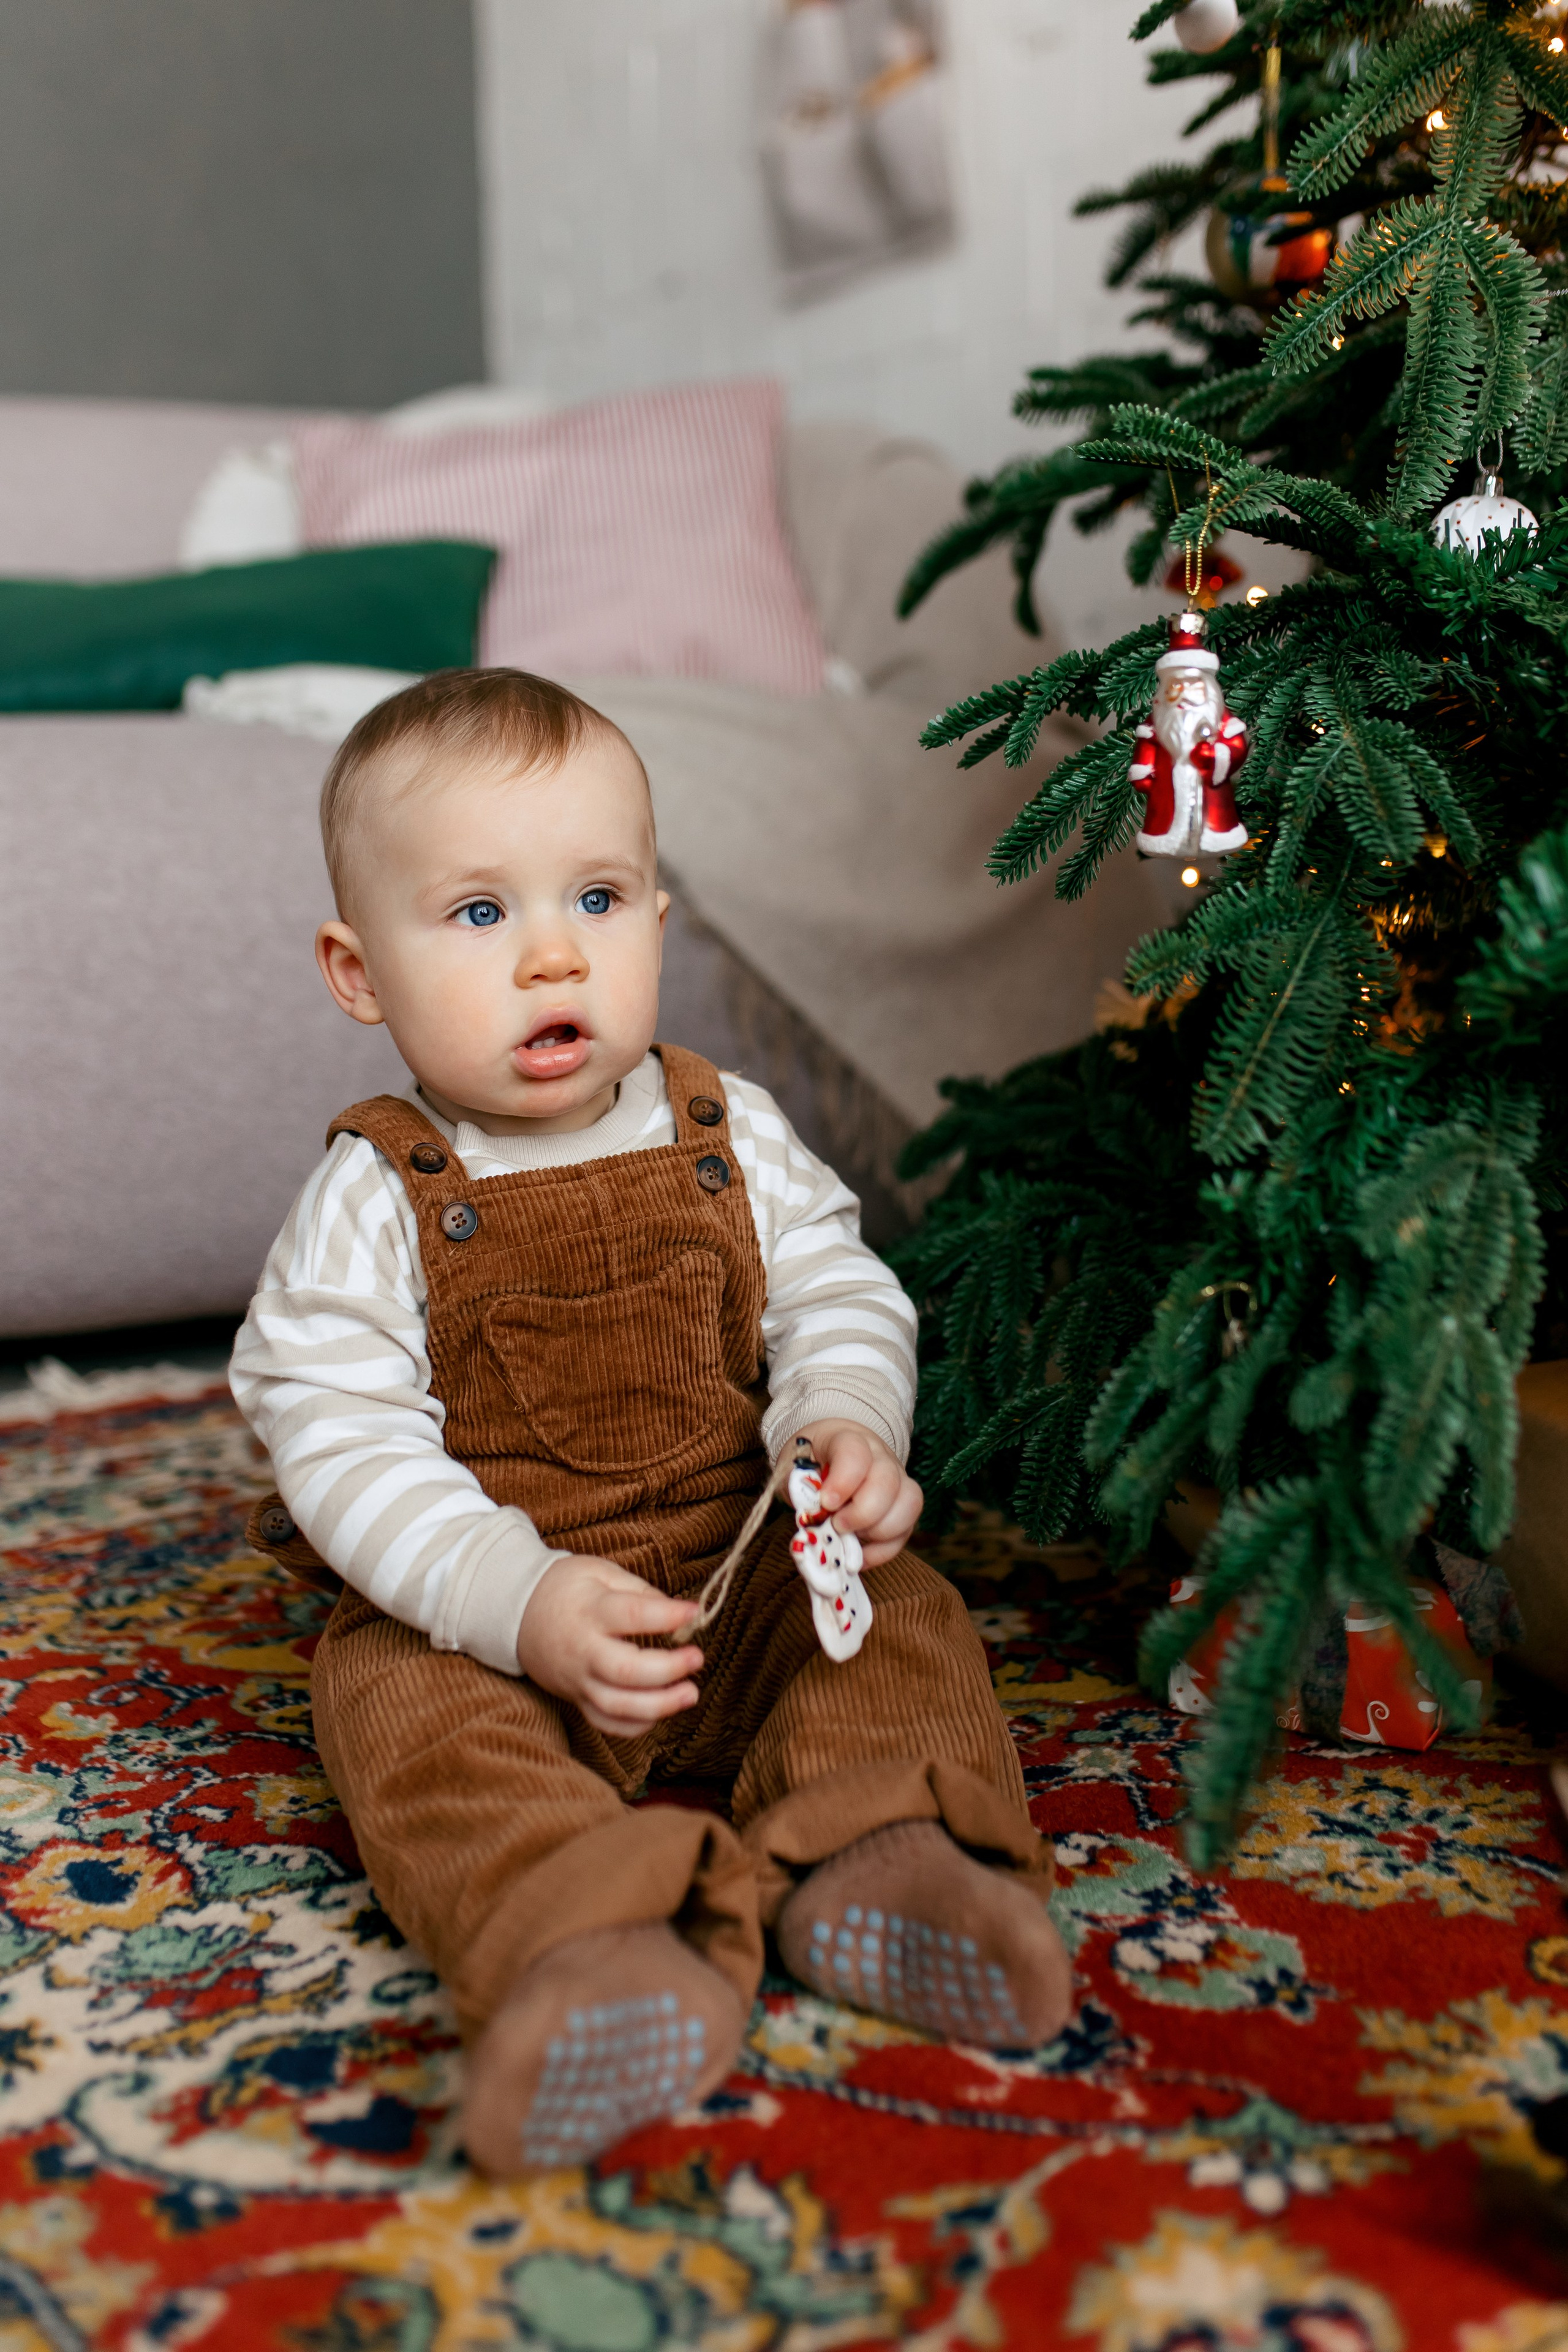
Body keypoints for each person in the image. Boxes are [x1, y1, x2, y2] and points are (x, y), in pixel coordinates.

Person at [232, 667, 1071, 2178]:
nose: (553, 952)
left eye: (599, 899)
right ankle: (592, 1935)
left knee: (899, 1620)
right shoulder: (374, 1192)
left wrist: (843, 1418)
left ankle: (886, 1854)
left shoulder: (724, 1128)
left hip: (739, 1563)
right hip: (493, 1611)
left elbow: (837, 1290)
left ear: (658, 924)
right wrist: (517, 1599)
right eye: (479, 915)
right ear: (359, 973)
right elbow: (340, 1437)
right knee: (395, 1714)